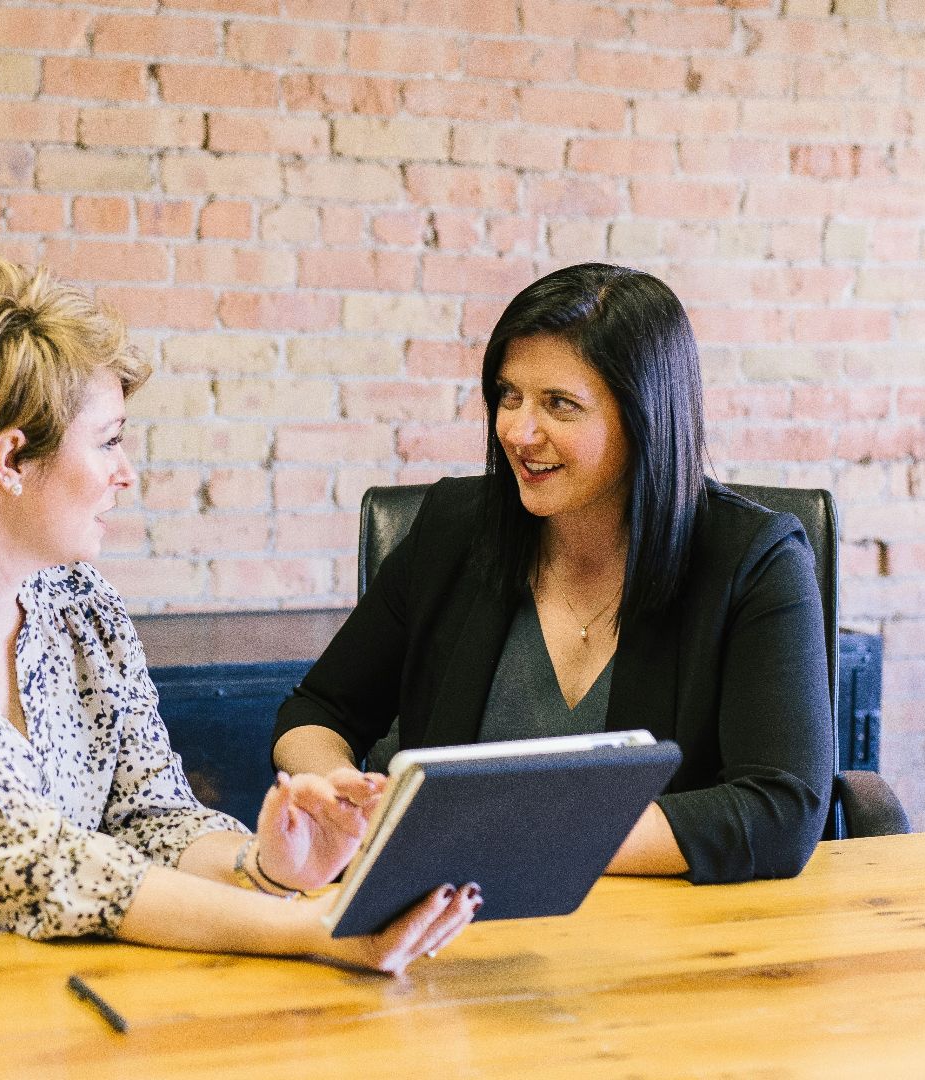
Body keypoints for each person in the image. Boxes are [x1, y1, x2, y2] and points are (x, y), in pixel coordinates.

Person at [0, 254, 475, 972]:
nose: (126, 474)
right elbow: (40, 863)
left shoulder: (77, 601)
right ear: (10, 460)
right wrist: (313, 928)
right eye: (107, 442)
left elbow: (151, 817)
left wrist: (267, 866)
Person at [272, 263, 835, 884]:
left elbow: (780, 810)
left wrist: (500, 838)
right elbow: (317, 710)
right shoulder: (455, 529)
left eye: (559, 405)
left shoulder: (755, 561)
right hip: (448, 927)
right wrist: (336, 791)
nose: (518, 431)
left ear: (644, 416)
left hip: (663, 935)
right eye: (509, 396)